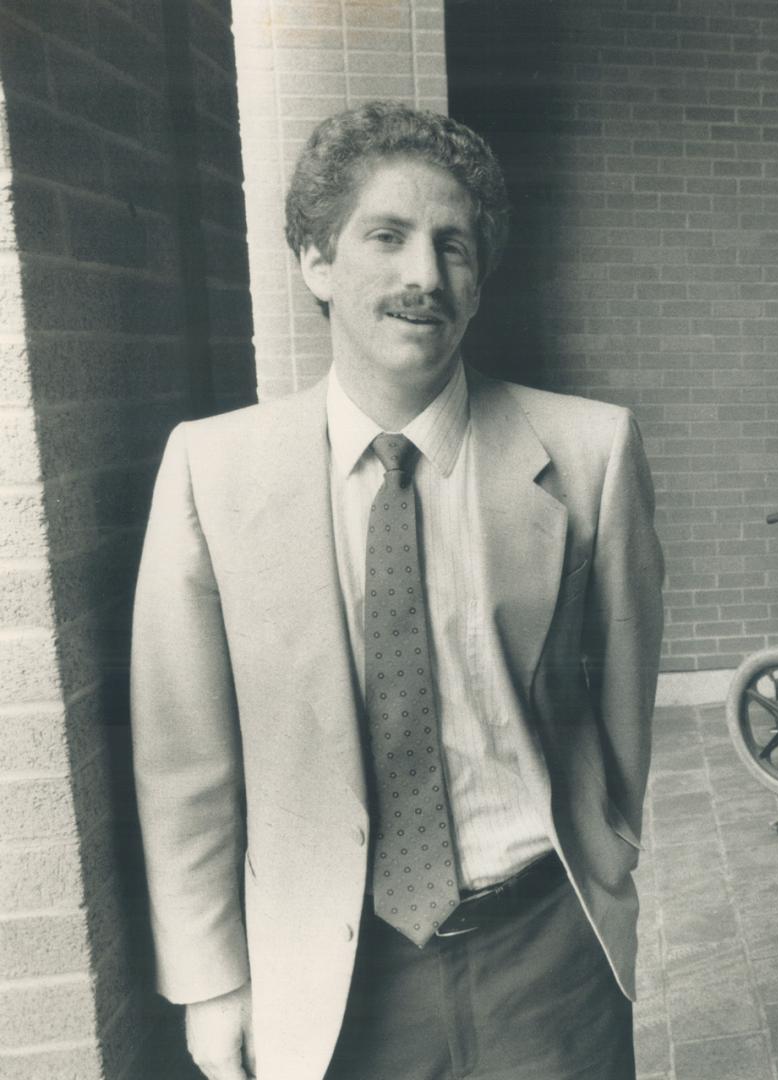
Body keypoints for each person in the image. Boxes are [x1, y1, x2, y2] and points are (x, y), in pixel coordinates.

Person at [130, 101, 664, 1080]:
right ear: (317, 262)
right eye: (388, 236)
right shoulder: (212, 474)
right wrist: (211, 981)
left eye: (453, 246)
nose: (425, 275)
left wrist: (612, 842)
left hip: (546, 951)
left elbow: (625, 678)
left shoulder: (590, 452)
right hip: (335, 978)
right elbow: (183, 757)